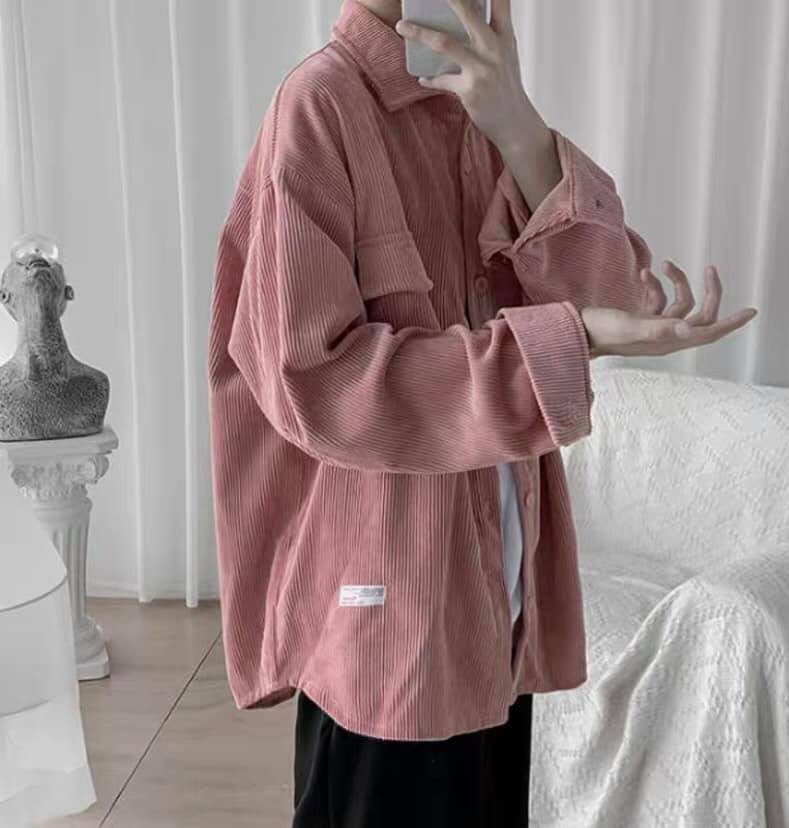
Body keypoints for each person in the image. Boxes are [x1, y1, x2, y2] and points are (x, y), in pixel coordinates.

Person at [206, 0, 758, 825]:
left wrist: (521, 130)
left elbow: (610, 296)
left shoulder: (478, 106)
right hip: (387, 620)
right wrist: (569, 339)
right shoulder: (319, 107)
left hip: (498, 596)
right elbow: (316, 382)